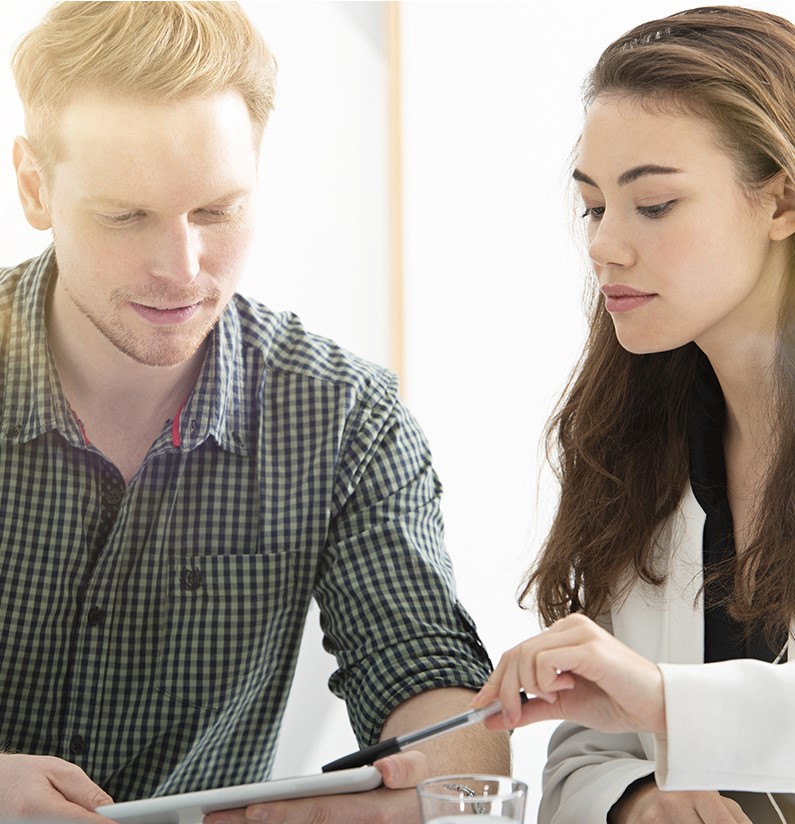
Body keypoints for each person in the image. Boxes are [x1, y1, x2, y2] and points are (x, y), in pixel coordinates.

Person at [0, 2, 510, 821]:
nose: (180, 267)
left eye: (216, 211)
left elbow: (430, 683)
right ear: (34, 185)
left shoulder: (344, 418)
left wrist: (420, 794)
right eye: (123, 216)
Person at [472, 5, 795, 824]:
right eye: (592, 206)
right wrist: (634, 803)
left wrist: (663, 700)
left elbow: (647, 700)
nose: (603, 244)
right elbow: (590, 748)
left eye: (651, 205)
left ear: (782, 201)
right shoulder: (632, 440)